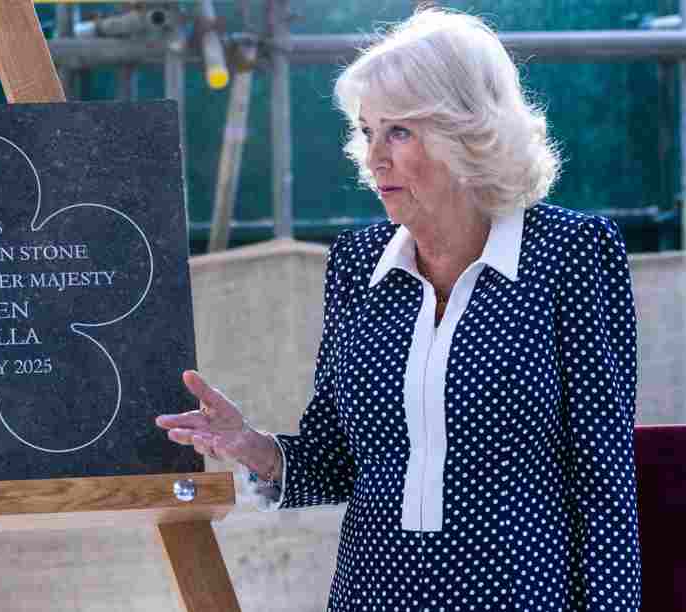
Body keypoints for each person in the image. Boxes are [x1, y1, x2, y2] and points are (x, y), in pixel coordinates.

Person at [156, 7, 641, 611]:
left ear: (468, 133)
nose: (373, 158)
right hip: (373, 594)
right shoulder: (357, 264)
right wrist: (248, 443)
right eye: (367, 132)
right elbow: (334, 461)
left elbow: (604, 484)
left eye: (399, 133)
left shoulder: (572, 252)